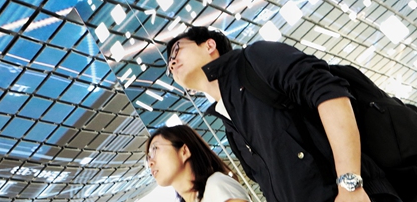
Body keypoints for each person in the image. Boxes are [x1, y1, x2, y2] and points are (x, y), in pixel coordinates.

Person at [166, 26, 403, 202]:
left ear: (209, 45)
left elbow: (330, 95)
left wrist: (350, 185)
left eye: (177, 49)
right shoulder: (230, 128)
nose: (172, 63)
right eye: (168, 66)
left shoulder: (256, 59)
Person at [146, 124, 249, 202]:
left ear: (185, 151)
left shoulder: (215, 186)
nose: (150, 162)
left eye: (155, 149)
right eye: (148, 157)